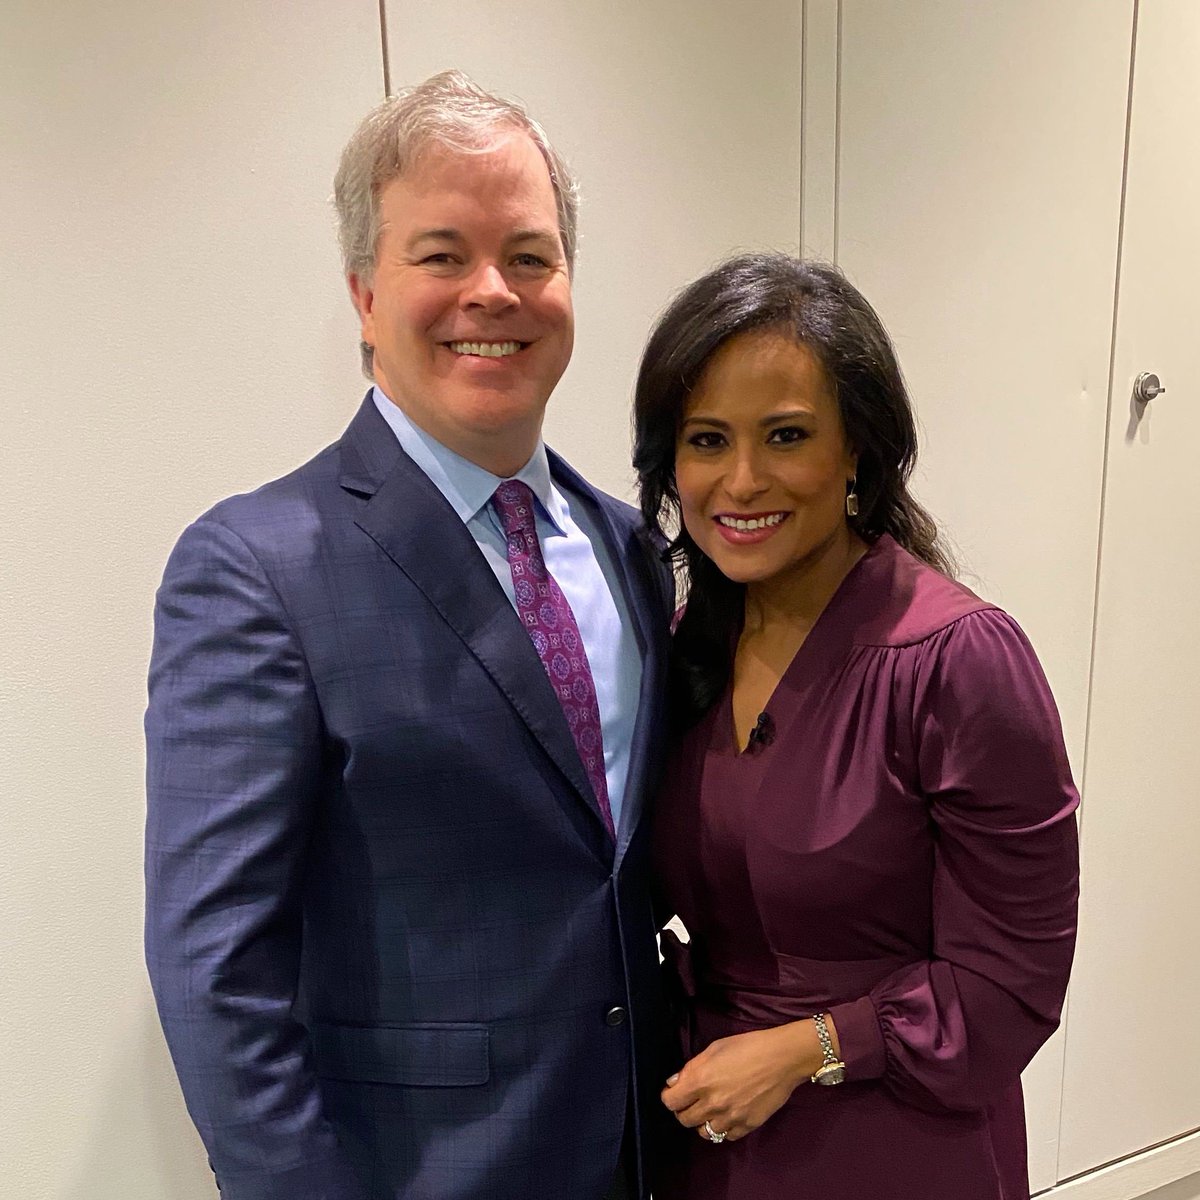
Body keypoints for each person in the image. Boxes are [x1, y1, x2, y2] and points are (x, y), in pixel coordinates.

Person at [145, 71, 673, 1200]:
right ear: (363, 293)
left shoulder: (638, 551)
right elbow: (213, 978)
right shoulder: (255, 569)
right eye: (441, 256)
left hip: (656, 1154)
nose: (493, 292)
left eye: (529, 256)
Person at [632, 253, 1079, 1200]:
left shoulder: (957, 661)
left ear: (858, 455)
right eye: (707, 440)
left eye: (785, 436)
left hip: (897, 1140)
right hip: (713, 1135)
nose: (741, 481)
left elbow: (1013, 983)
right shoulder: (685, 649)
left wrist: (810, 1048)